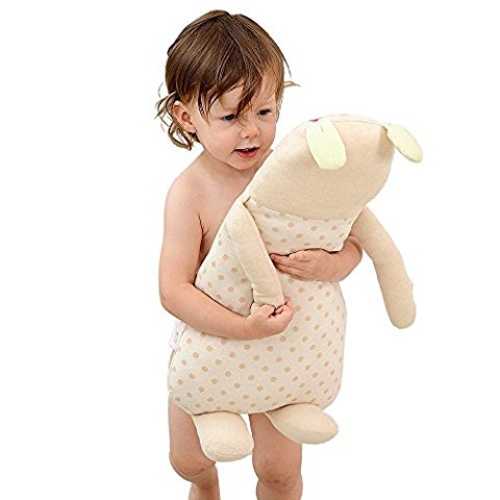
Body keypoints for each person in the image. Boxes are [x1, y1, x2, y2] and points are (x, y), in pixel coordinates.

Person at [155, 10, 363, 500]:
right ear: (187, 118)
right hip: (215, 345)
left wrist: (330, 264)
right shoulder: (190, 193)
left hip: (282, 353)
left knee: (279, 471)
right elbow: (173, 290)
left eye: (265, 112)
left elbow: (355, 245)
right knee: (188, 459)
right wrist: (242, 327)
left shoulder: (294, 177)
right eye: (230, 117)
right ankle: (205, 484)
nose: (251, 131)